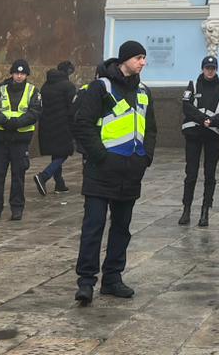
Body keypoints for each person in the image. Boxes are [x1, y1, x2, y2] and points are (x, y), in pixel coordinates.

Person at [72, 41, 157, 305]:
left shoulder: (144, 92)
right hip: (101, 170)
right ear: (125, 60)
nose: (143, 62)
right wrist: (101, 156)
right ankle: (86, 282)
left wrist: (145, 157)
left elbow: (151, 128)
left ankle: (112, 278)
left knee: (122, 228)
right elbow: (83, 125)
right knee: (93, 227)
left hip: (131, 171)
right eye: (139, 57)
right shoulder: (101, 87)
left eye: (144, 58)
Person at [0, 60, 42, 221]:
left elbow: (35, 112)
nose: (19, 76)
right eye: (16, 73)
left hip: (20, 140)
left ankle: (17, 208)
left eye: (22, 73)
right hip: (0, 139)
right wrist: (4, 121)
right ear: (11, 73)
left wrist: (17, 123)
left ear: (27, 75)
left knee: (18, 175)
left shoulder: (32, 91)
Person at [180, 54, 219, 227]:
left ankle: (205, 212)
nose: (210, 71)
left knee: (210, 174)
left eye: (212, 68)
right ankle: (186, 210)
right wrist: (203, 118)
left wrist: (214, 121)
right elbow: (186, 106)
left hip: (212, 135)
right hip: (193, 134)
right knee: (191, 173)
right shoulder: (193, 85)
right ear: (202, 69)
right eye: (207, 68)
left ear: (216, 69)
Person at [34, 60, 77, 195]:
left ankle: (59, 183)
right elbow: (72, 108)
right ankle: (44, 176)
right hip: (62, 125)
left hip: (46, 124)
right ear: (68, 72)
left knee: (56, 153)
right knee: (64, 152)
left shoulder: (46, 85)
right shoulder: (68, 86)